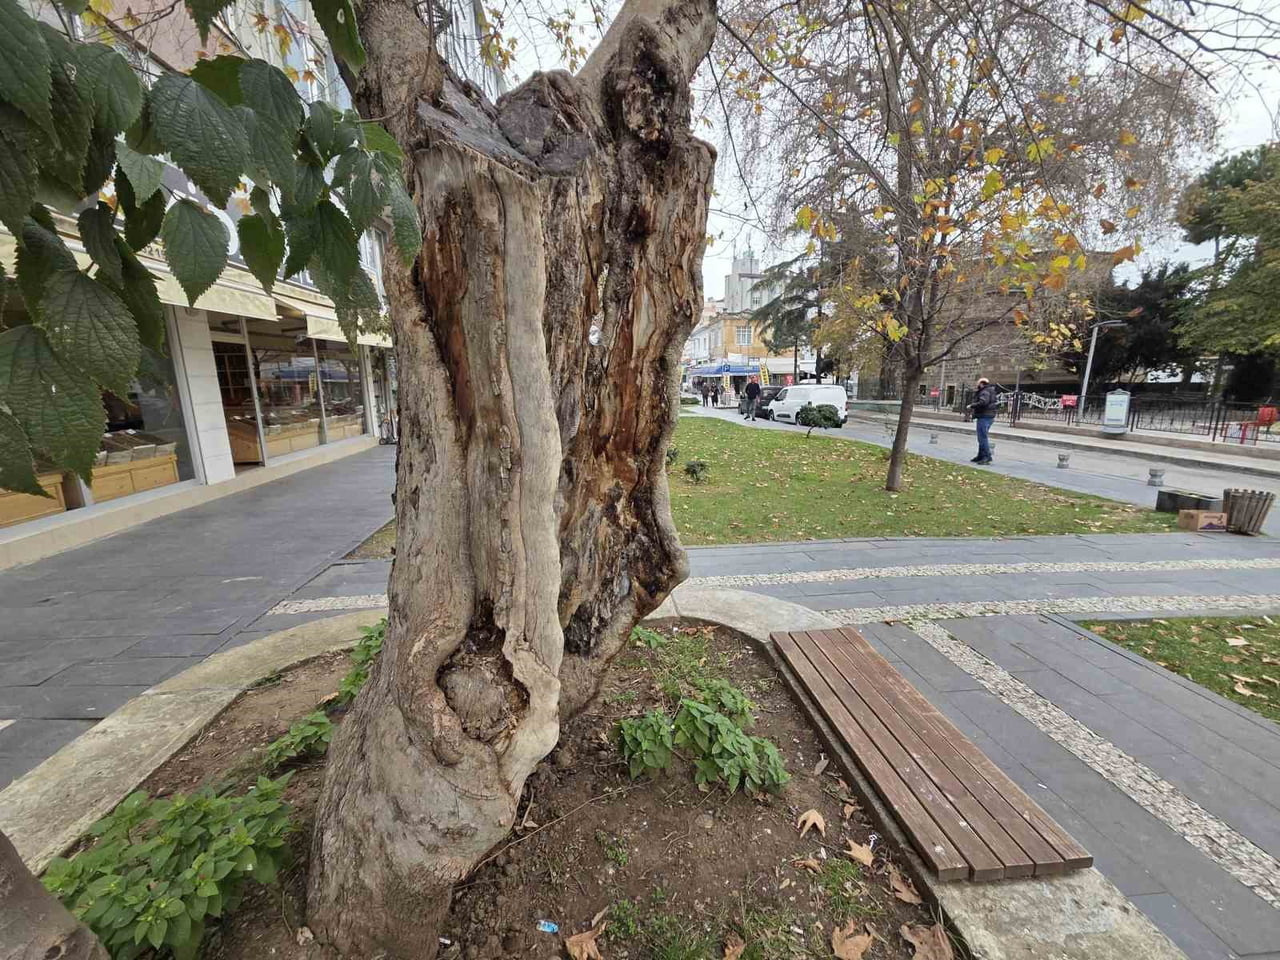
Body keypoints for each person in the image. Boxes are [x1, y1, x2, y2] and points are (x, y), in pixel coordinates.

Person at [967, 376, 997, 464]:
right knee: (982, 437)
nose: (977, 385)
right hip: (988, 416)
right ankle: (980, 455)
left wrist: (972, 405)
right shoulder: (990, 390)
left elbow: (983, 402)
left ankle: (987, 457)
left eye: (978, 383)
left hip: (984, 416)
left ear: (981, 384)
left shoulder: (985, 392)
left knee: (982, 438)